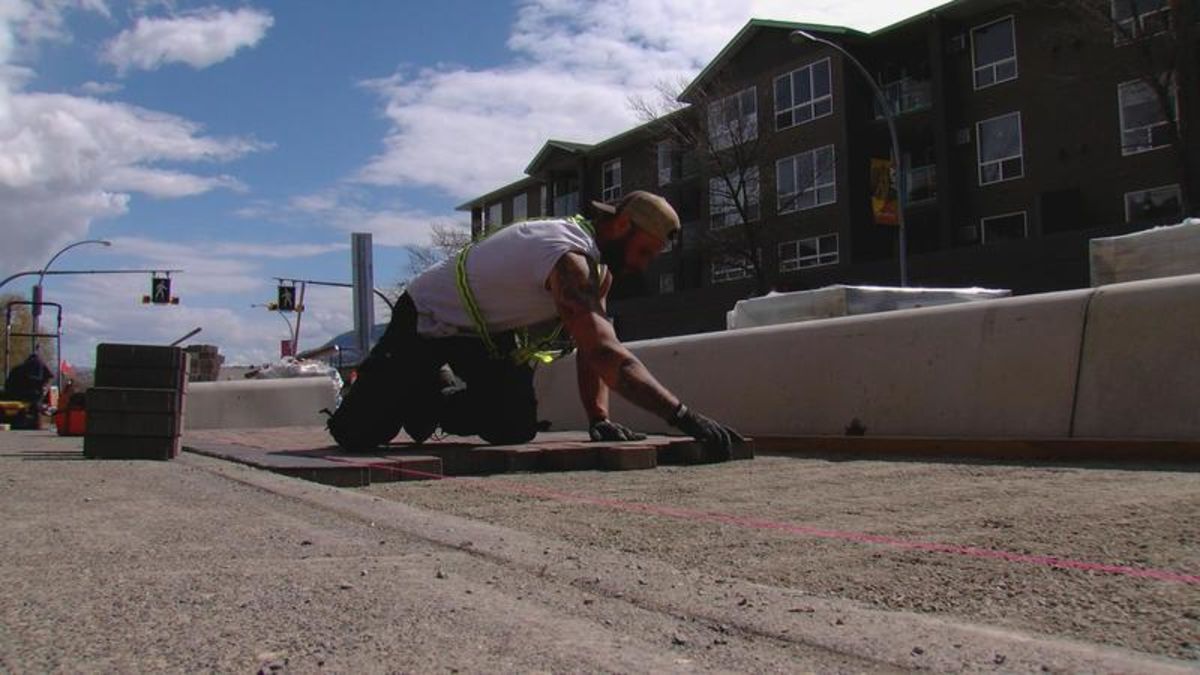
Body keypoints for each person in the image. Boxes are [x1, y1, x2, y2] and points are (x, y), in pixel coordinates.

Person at [326, 190, 743, 455]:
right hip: (428, 318)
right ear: (620, 226)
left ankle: (432, 397)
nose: (645, 264)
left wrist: (598, 419)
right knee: (358, 436)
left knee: (514, 426)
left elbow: (590, 345)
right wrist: (685, 417)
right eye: (645, 251)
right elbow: (604, 352)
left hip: (484, 336)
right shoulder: (568, 259)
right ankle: (394, 384)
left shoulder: (598, 271)